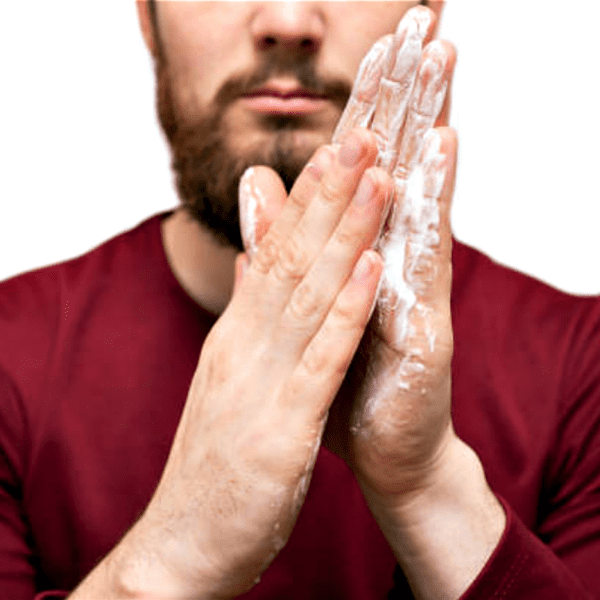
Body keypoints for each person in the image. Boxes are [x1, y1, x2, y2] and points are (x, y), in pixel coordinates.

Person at [0, 2, 598, 599]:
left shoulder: (581, 367)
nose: (288, 19)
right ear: (146, 17)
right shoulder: (11, 356)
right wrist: (171, 556)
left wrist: (428, 487)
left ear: (428, 8)